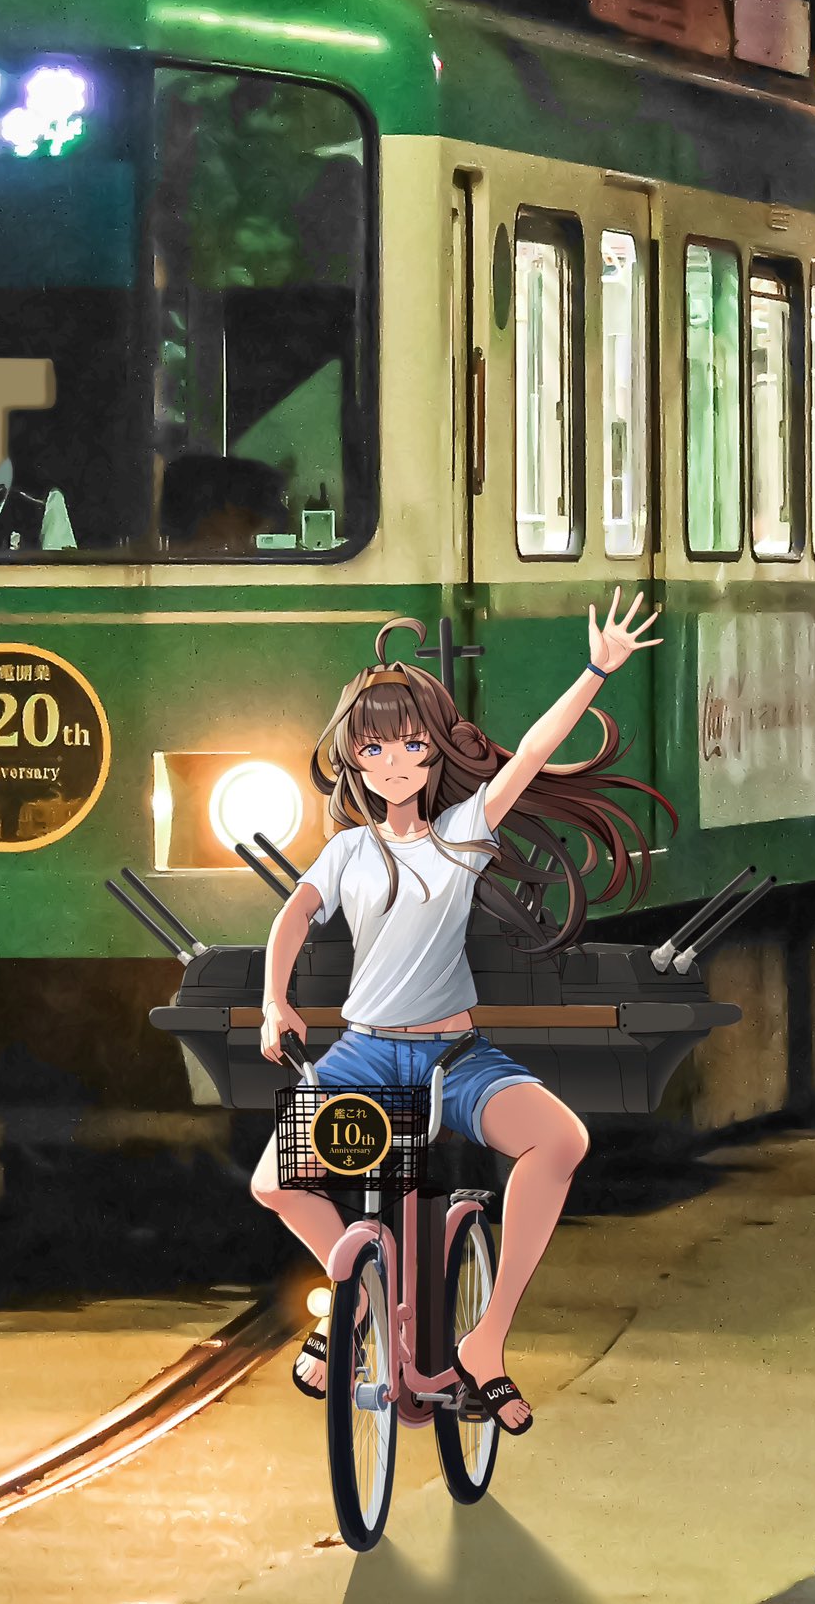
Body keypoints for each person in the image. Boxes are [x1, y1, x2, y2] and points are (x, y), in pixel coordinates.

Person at [253, 593, 672, 1434]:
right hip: (364, 1055)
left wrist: (597, 670)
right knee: (274, 1182)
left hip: (453, 1057)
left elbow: (536, 753)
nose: (395, 762)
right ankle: (360, 1297)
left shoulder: (462, 832)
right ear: (354, 758)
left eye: (413, 745)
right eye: (375, 747)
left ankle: (486, 1340)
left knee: (562, 1141)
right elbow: (292, 917)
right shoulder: (347, 850)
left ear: (436, 751)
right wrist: (274, 1002)